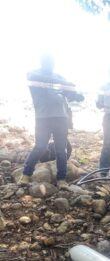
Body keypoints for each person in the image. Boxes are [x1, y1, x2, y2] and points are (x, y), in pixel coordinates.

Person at [20, 54, 84, 189]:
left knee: (61, 149)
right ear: (42, 62)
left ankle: (61, 179)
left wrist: (76, 95)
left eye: (51, 62)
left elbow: (70, 92)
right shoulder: (34, 74)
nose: (50, 64)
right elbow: (32, 77)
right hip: (43, 118)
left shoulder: (59, 77)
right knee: (40, 146)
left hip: (61, 118)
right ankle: (26, 175)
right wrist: (64, 83)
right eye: (47, 61)